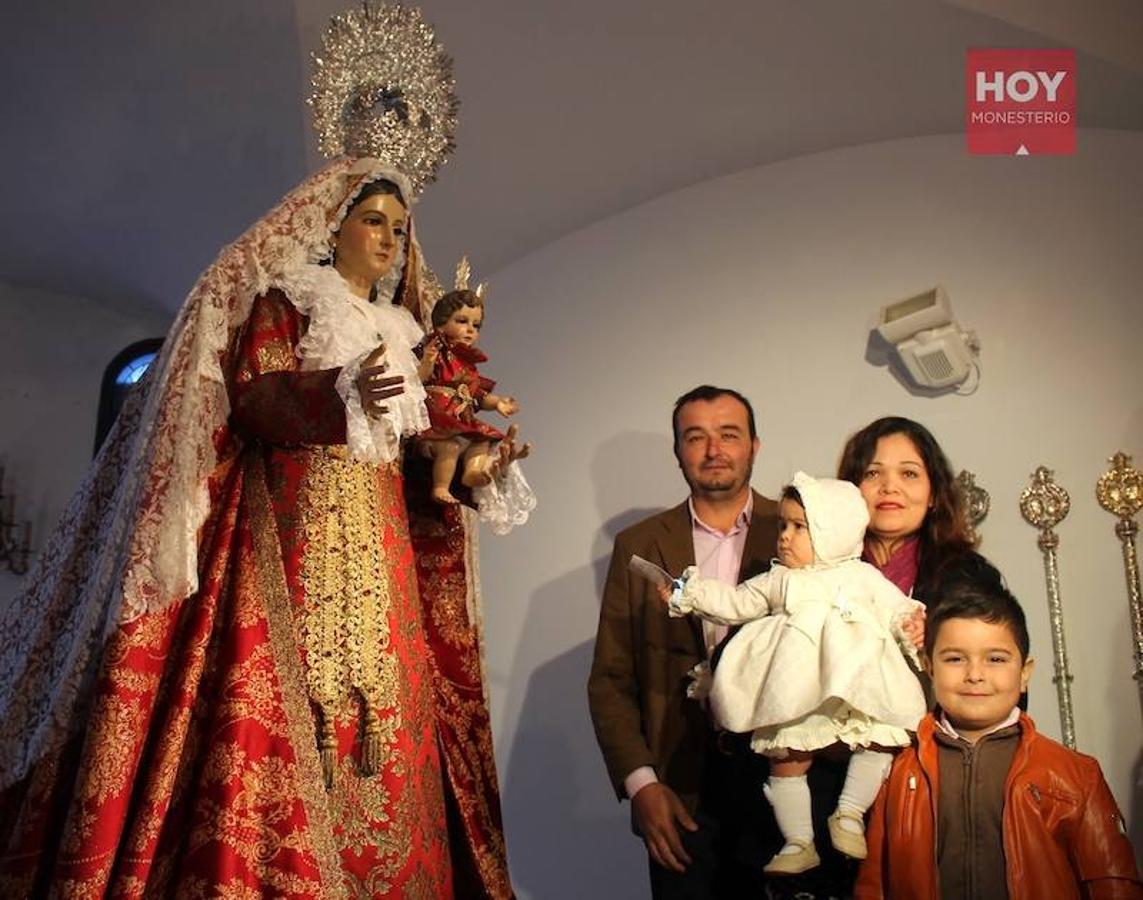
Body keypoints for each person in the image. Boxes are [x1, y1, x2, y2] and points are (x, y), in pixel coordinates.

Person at [0, 158, 515, 898]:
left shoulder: (409, 332)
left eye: (399, 229)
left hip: (384, 568)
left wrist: (468, 471)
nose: (390, 240)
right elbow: (254, 398)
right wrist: (338, 389)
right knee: (279, 711)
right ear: (332, 226)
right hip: (288, 549)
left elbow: (415, 447)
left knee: (389, 729)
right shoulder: (290, 302)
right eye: (374, 220)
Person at [664, 473, 926, 876]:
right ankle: (798, 841)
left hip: (854, 684)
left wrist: (910, 624)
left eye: (799, 527)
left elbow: (896, 609)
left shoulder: (860, 576)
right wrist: (692, 594)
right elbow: (735, 603)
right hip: (796, 688)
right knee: (786, 758)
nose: (784, 536)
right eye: (783, 526)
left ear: (832, 530)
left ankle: (850, 813)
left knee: (878, 739)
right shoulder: (778, 579)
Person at [587, 385, 781, 898]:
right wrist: (641, 784)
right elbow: (611, 678)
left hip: (784, 781)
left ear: (754, 446)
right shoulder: (638, 545)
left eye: (729, 435)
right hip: (679, 793)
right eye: (696, 437)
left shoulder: (794, 530)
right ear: (678, 452)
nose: (714, 450)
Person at [855, 583, 1143, 899]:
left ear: (1024, 673)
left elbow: (1113, 882)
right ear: (928, 666)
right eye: (954, 659)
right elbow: (874, 885)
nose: (975, 674)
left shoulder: (1076, 774)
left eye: (995, 659)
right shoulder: (897, 772)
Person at [837, 416, 1003, 608]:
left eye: (909, 474)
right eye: (872, 473)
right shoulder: (820, 571)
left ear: (933, 493)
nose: (890, 487)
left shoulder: (972, 576)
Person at [418, 288, 521, 504]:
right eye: (462, 321)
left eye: (476, 325)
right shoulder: (436, 352)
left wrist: (498, 403)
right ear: (440, 323)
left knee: (482, 440)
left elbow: (479, 395)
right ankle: (440, 487)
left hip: (460, 419)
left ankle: (472, 472)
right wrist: (427, 360)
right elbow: (419, 379)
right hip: (437, 418)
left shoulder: (467, 364)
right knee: (450, 446)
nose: (470, 330)